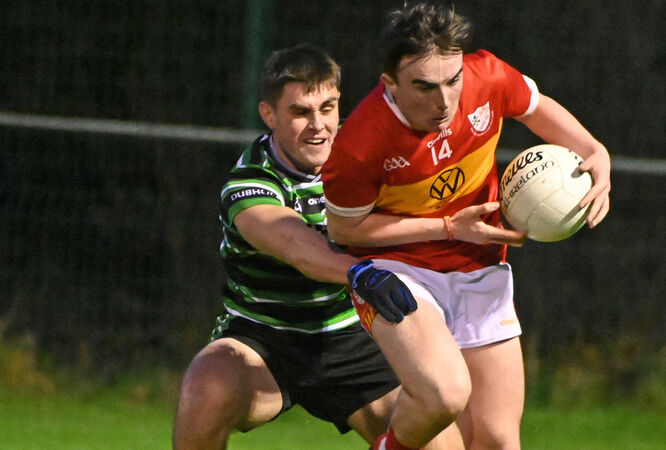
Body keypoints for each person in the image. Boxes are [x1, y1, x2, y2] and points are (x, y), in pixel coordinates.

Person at [321, 3, 612, 450]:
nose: (444, 100)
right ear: (390, 84)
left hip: (479, 263)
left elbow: (535, 107)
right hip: (398, 270)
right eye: (424, 86)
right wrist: (446, 227)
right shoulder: (360, 144)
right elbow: (346, 232)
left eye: (452, 80)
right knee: (445, 392)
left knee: (498, 439)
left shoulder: (487, 76)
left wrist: (595, 150)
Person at [172, 44, 461, 450]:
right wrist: (358, 273)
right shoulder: (250, 180)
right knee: (207, 386)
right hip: (264, 336)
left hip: (351, 334)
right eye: (300, 112)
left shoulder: (366, 158)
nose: (318, 125)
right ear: (269, 114)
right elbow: (295, 244)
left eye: (328, 108)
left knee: (442, 443)